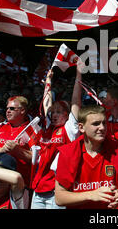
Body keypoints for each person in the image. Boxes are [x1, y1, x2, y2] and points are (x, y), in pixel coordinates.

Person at [52, 105, 118, 209]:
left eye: (104, 123)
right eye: (96, 124)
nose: (102, 128)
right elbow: (59, 198)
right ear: (81, 127)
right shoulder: (67, 153)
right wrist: (90, 195)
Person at [30, 62, 83, 209]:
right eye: (53, 112)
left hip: (57, 190)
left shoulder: (70, 129)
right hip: (39, 188)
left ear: (68, 115)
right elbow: (47, 103)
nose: (54, 115)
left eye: (59, 112)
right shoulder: (47, 128)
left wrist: (79, 73)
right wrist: (48, 81)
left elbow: (76, 102)